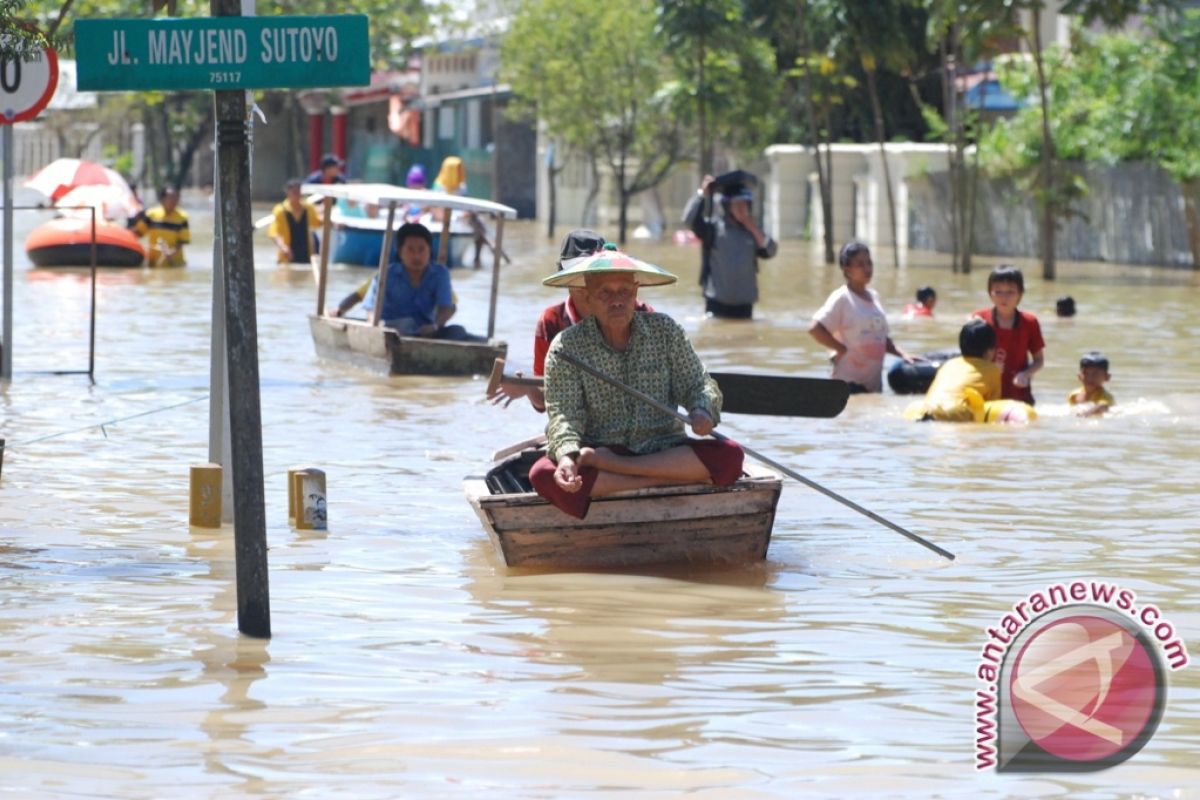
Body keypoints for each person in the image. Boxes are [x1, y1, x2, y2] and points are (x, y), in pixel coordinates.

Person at [526, 251, 744, 519]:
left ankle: (620, 468)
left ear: (636, 292)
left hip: (660, 449)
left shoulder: (665, 330)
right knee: (543, 475)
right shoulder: (566, 346)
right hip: (601, 446)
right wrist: (568, 457)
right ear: (588, 297)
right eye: (605, 293)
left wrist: (702, 411)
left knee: (731, 456)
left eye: (625, 292)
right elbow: (564, 414)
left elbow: (697, 383)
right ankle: (670, 479)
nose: (617, 301)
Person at [488, 230, 652, 411]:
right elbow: (547, 402)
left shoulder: (641, 314)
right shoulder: (552, 321)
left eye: (592, 276)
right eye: (579, 277)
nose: (584, 285)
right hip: (578, 425)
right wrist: (528, 387)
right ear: (567, 280)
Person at [329, 222, 482, 341]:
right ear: (400, 252)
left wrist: (435, 326)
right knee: (406, 324)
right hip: (391, 331)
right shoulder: (386, 274)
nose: (416, 256)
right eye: (410, 250)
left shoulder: (440, 274)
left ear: (430, 251)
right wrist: (374, 324)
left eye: (421, 250)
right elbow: (369, 305)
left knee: (458, 331)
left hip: (425, 332)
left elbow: (448, 307)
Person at [809, 240, 914, 393]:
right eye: (860, 264)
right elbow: (815, 328)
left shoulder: (874, 297)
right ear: (847, 269)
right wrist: (840, 349)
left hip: (873, 386)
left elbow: (881, 337)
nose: (867, 268)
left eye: (869, 263)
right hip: (848, 386)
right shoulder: (842, 298)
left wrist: (903, 354)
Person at [682, 170, 777, 319]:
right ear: (727, 206)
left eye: (744, 204)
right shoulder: (712, 230)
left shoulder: (753, 232)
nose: (741, 208)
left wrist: (751, 226)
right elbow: (688, 219)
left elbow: (770, 251)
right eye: (737, 204)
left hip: (745, 307)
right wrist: (702, 194)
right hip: (716, 304)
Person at [972, 266, 1045, 404]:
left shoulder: (1030, 322)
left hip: (1019, 395)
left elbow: (1039, 360)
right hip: (987, 395)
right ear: (989, 293)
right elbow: (970, 358)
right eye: (998, 292)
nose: (1004, 298)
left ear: (1020, 294)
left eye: (1010, 292)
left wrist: (1025, 374)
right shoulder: (979, 319)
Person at [906, 319, 1000, 422]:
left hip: (925, 411)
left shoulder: (948, 364)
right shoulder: (993, 370)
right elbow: (993, 407)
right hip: (955, 413)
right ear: (989, 351)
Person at [131, 186, 189, 267]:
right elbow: (138, 233)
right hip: (153, 262)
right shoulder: (151, 215)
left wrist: (171, 252)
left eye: (176, 197)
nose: (174, 200)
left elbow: (183, 241)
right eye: (171, 197)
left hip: (174, 262)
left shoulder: (182, 217)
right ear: (162, 199)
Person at [268, 179, 321, 264]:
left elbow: (317, 223)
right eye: (294, 192)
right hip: (287, 255)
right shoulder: (280, 210)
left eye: (299, 192)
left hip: (306, 255)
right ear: (287, 192)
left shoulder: (309, 208)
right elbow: (274, 233)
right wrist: (283, 247)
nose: (297, 195)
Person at [1068, 351, 1114, 416]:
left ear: (1107, 377)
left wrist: (1086, 414)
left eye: (1095, 374)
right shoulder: (1073, 395)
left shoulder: (1106, 396)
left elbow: (1102, 407)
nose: (1090, 378)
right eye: (1086, 373)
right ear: (1079, 376)